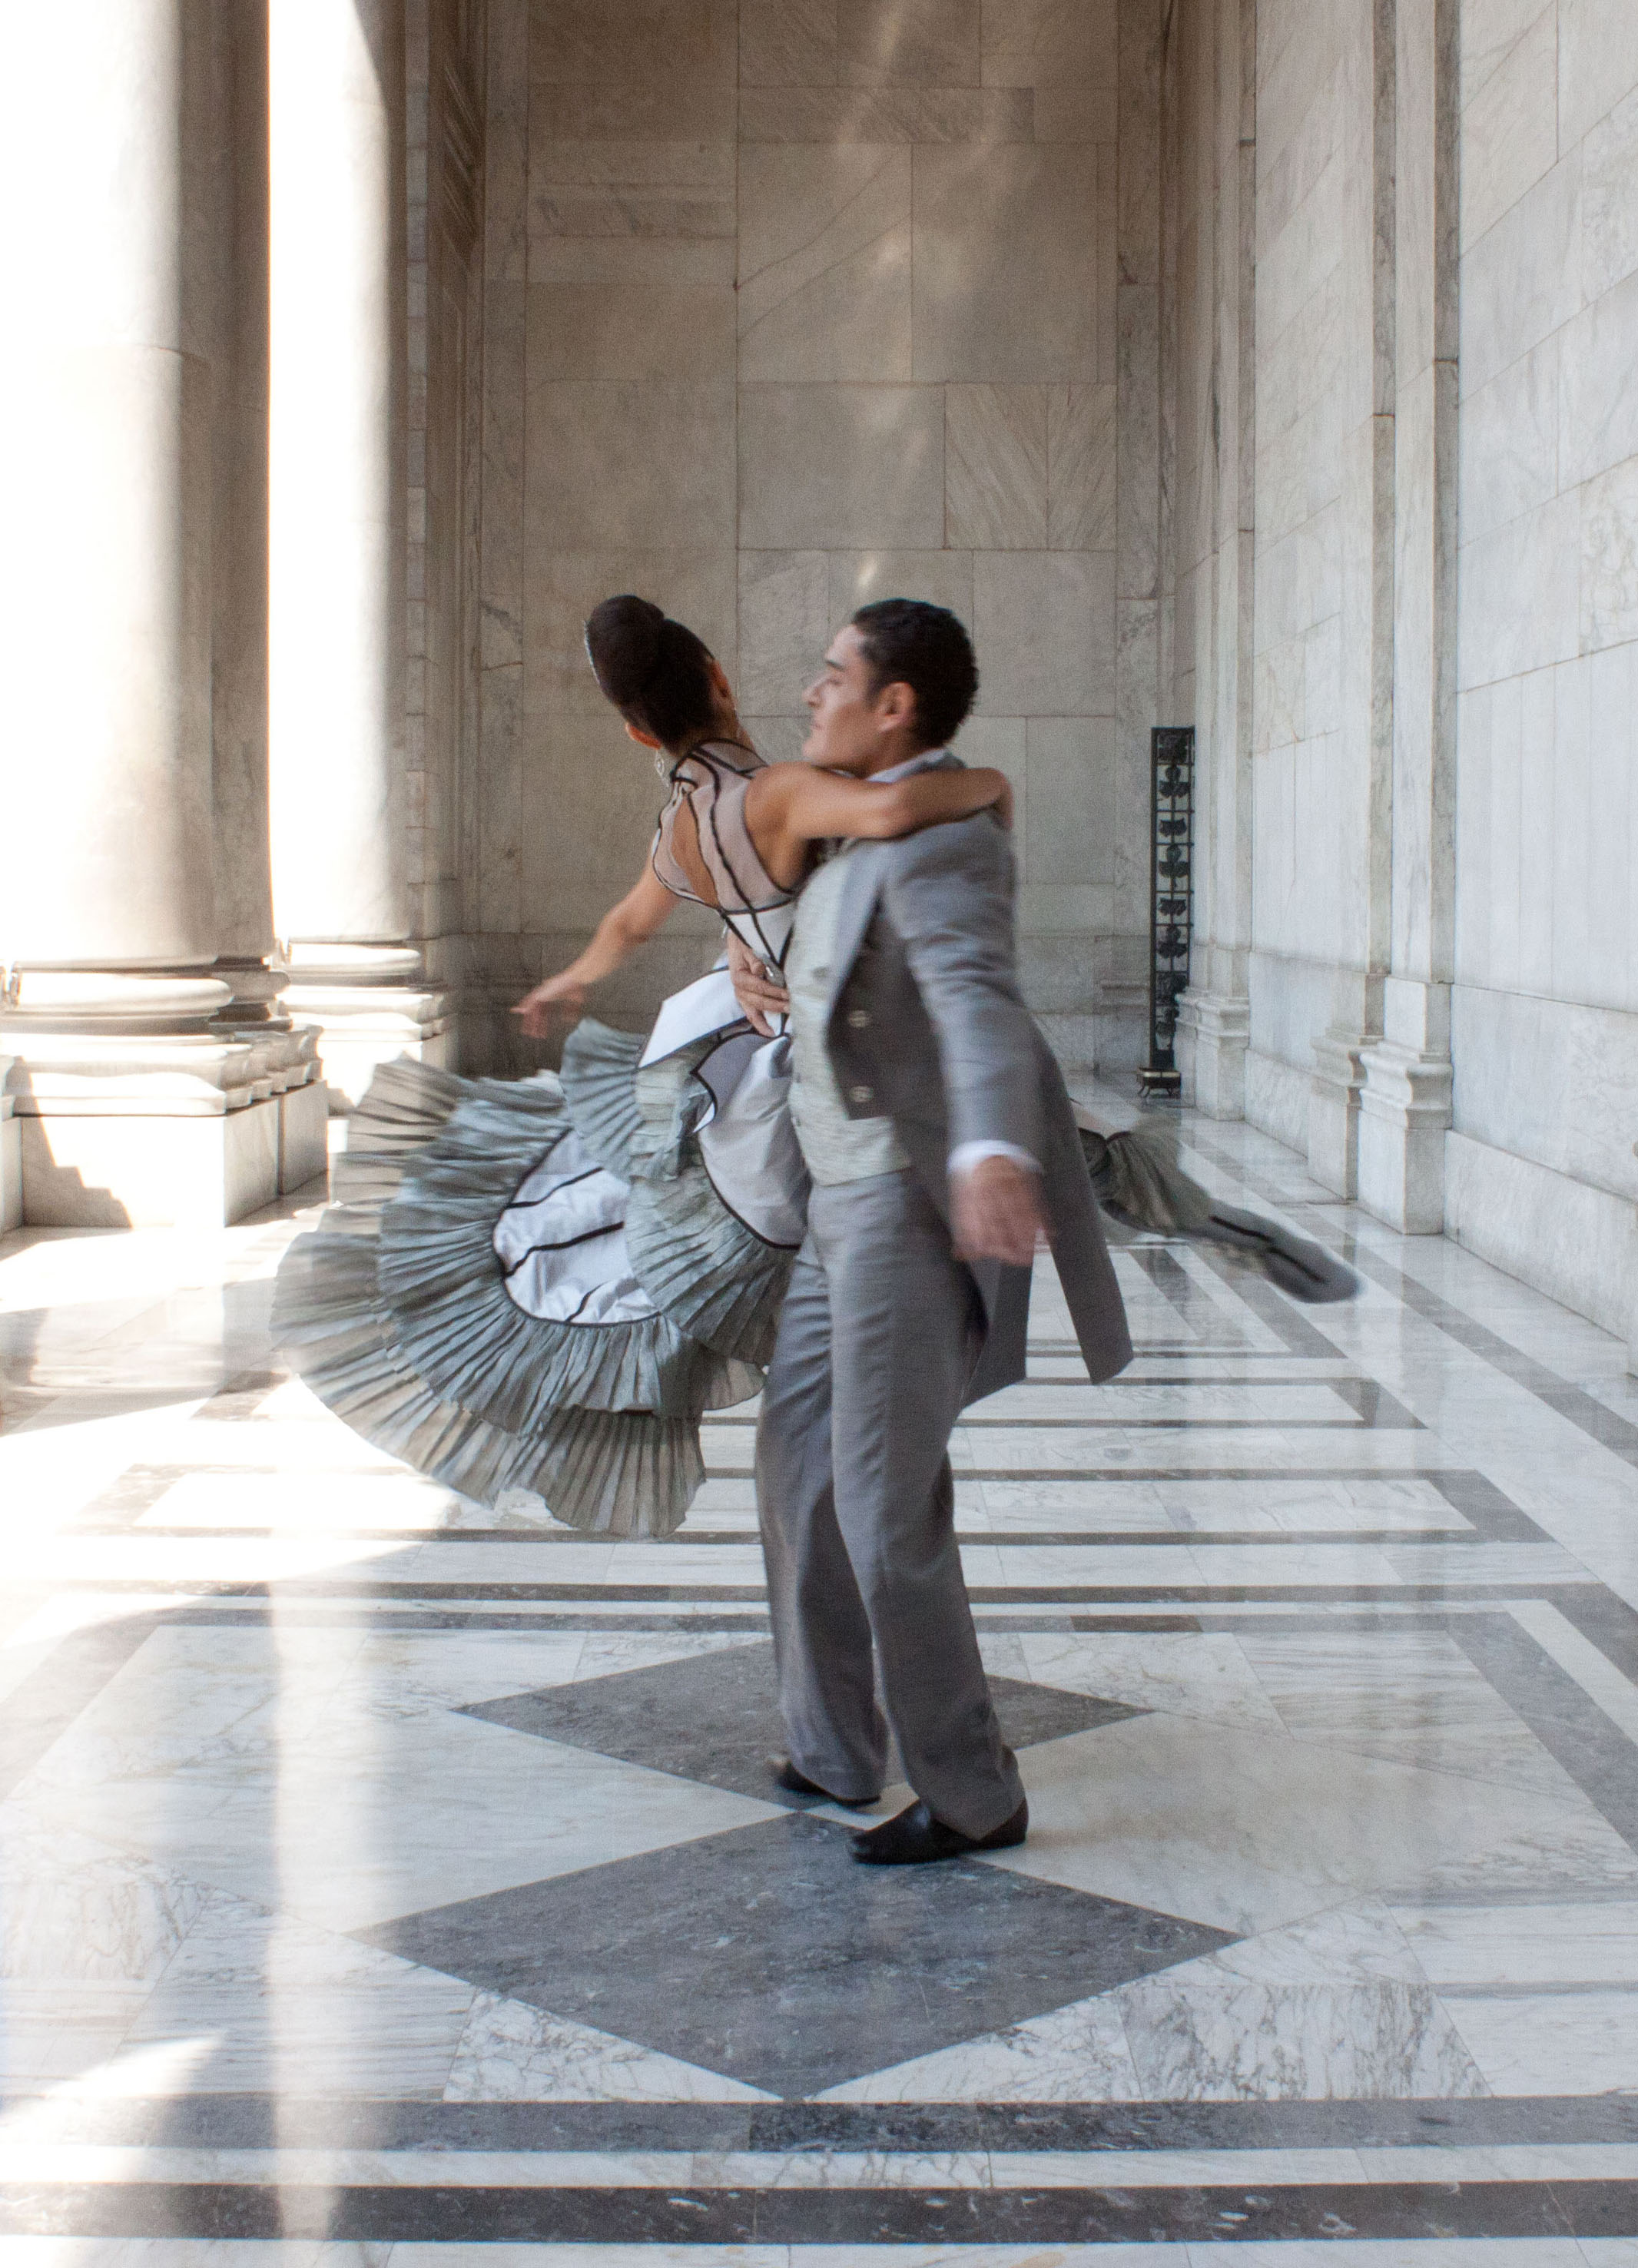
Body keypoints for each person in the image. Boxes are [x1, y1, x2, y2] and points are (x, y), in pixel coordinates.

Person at [272, 596, 1016, 1540]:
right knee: (781, 1255)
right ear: (718, 677)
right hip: (788, 1048)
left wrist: (575, 979)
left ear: (633, 731)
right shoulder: (779, 789)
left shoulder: (680, 822)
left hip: (729, 1027)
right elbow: (895, 804)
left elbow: (632, 922)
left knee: (650, 1237)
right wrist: (991, 784)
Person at [726, 599, 1134, 1868]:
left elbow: (973, 998)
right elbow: (863, 996)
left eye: (832, 674)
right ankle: (835, 1742)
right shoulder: (856, 822)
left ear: (892, 704)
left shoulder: (945, 829)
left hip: (901, 1208)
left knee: (883, 1502)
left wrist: (993, 1151)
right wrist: (777, 995)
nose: (809, 691)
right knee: (795, 1466)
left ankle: (969, 1789)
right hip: (830, 1199)